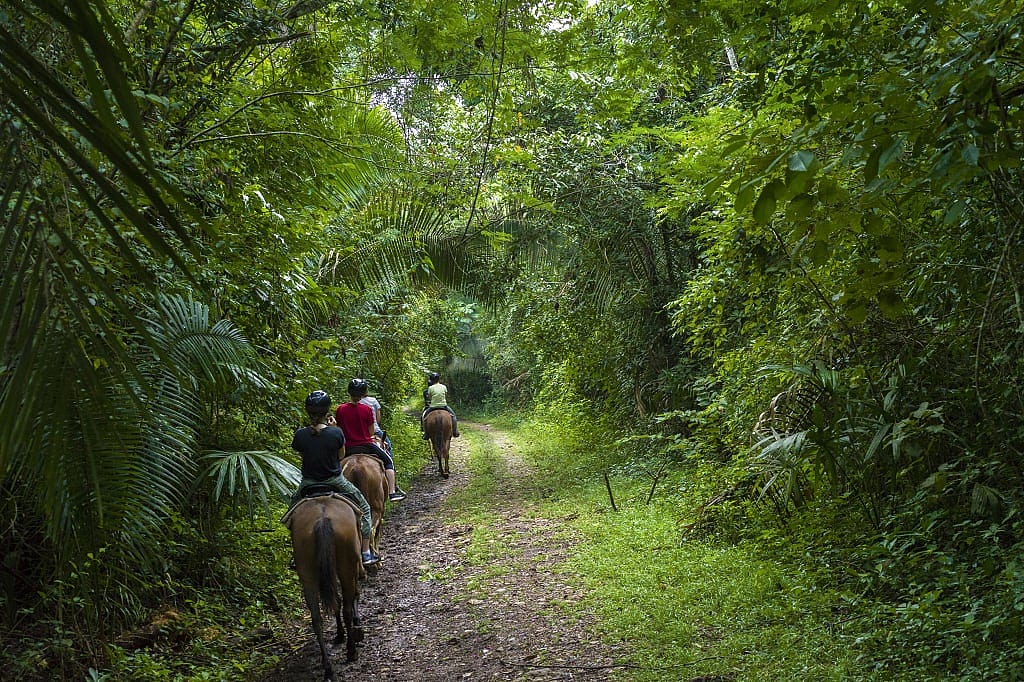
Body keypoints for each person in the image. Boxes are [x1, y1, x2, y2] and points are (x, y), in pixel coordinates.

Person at [289, 390, 379, 566]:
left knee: (291, 513)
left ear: (308, 411)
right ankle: (366, 552)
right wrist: (334, 428)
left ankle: (296, 553)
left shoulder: (300, 434)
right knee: (366, 509)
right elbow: (341, 456)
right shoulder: (336, 433)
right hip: (335, 480)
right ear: (327, 411)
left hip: (308, 482)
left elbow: (303, 454)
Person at [336, 378, 407, 502]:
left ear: (349, 392)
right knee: (388, 461)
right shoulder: (366, 409)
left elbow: (339, 429)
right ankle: (392, 492)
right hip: (366, 445)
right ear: (363, 393)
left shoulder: (340, 409)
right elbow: (370, 432)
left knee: (333, 467)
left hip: (347, 447)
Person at [422, 371, 460, 438]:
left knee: (424, 417)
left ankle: (426, 434)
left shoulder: (430, 388)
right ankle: (455, 431)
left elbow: (430, 398)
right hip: (444, 406)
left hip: (433, 407)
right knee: (453, 416)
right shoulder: (444, 387)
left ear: (431, 380)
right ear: (438, 379)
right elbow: (445, 395)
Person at [359, 390, 392, 454]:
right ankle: (390, 462)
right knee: (388, 444)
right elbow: (378, 418)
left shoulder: (355, 403)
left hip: (360, 433)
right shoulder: (373, 400)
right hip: (375, 430)